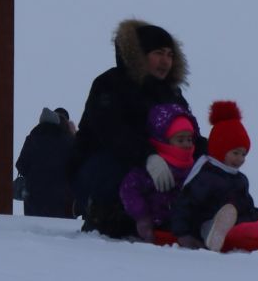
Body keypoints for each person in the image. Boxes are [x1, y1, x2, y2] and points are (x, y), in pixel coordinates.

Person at [71, 19, 195, 238]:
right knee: (117, 166)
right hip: (102, 169)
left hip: (156, 170)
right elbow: (111, 131)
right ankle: (103, 214)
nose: (165, 61)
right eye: (158, 53)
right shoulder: (109, 84)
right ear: (140, 54)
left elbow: (188, 131)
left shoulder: (171, 93)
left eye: (169, 54)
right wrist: (148, 156)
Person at [171, 101, 258, 251]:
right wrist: (182, 234)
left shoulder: (240, 180)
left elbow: (249, 209)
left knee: (253, 223)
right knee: (213, 222)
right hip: (202, 228)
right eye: (235, 153)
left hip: (237, 227)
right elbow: (185, 206)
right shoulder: (207, 177)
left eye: (243, 154)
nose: (240, 159)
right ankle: (212, 231)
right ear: (220, 150)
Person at [118, 103, 198, 243]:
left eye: (189, 139)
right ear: (165, 141)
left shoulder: (193, 167)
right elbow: (129, 189)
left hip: (184, 221)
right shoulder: (151, 168)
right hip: (157, 224)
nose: (186, 144)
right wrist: (142, 216)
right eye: (180, 140)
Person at [15, 108, 74, 217]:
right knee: (61, 231)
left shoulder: (32, 138)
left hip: (34, 197)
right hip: (62, 198)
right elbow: (76, 167)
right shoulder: (68, 141)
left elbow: (21, 165)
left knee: (35, 231)